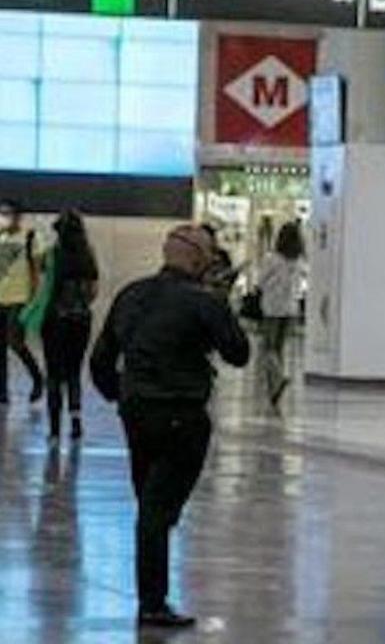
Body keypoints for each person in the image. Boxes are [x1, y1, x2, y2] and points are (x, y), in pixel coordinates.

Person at [90, 224, 251, 630]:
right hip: (182, 415)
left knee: (151, 505)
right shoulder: (202, 301)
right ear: (198, 259)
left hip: (137, 412)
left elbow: (100, 361)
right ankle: (152, 603)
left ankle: (153, 598)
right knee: (158, 511)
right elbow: (238, 353)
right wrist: (222, 303)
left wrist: (121, 397)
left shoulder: (131, 294)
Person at [39, 211, 99, 443]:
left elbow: (44, 287)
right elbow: (93, 292)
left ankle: (54, 431)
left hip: (55, 320)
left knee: (54, 375)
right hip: (81, 320)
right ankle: (76, 423)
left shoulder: (53, 255)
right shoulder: (88, 255)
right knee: (74, 372)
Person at [254, 222, 307, 411]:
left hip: (271, 309)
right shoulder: (298, 260)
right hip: (290, 309)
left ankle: (278, 378)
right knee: (279, 348)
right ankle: (274, 390)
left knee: (269, 347)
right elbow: (303, 279)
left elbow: (259, 281)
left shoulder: (271, 259)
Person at [0, 199, 45, 405]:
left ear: (18, 216)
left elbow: (36, 272)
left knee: (15, 342)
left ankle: (37, 378)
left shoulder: (29, 237)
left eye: (8, 213)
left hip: (19, 299)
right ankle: (2, 392)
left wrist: (33, 299)